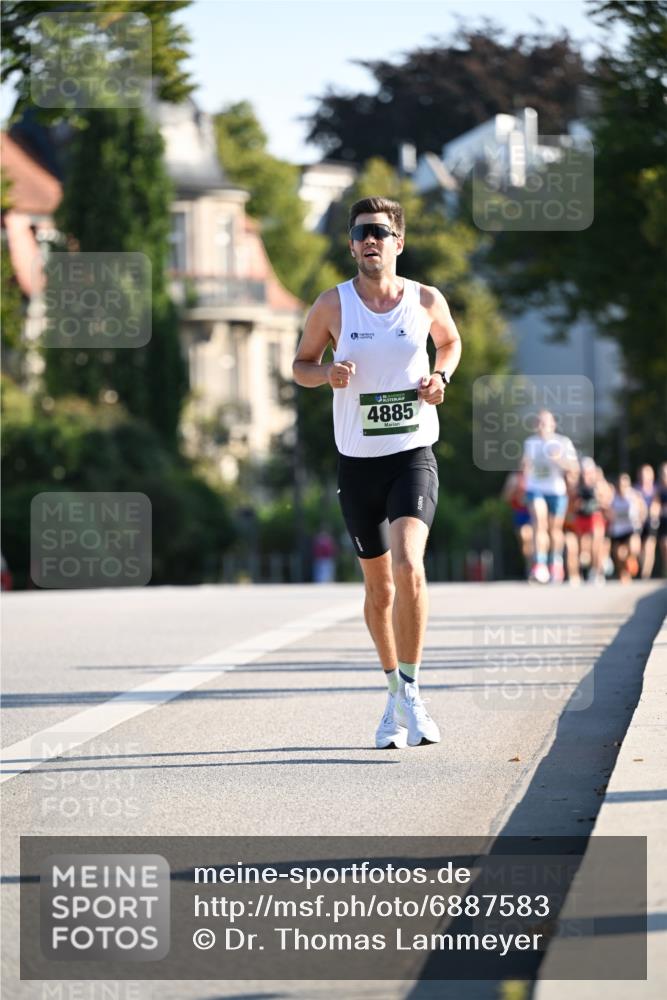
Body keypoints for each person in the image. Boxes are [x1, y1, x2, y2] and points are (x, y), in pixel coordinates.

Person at [292, 196, 462, 749]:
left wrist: (441, 377)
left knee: (411, 563)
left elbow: (451, 342)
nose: (370, 239)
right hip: (358, 462)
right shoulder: (333, 305)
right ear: (350, 244)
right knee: (380, 587)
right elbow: (299, 367)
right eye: (361, 231)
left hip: (413, 453)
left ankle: (412, 692)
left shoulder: (425, 299)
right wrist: (327, 373)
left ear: (398, 243)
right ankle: (393, 695)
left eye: (381, 231)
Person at [521, 409, 579, 583]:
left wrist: (559, 459)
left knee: (554, 529)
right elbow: (525, 465)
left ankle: (556, 563)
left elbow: (574, 468)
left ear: (553, 424)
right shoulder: (530, 443)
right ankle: (540, 565)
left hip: (556, 490)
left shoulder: (563, 442)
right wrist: (525, 467)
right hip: (536, 488)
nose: (542, 426)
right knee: (539, 524)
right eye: (539, 422)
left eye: (545, 422)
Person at [607, 473, 645, 583]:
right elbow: (608, 512)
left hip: (631, 528)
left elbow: (643, 510)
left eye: (624, 485)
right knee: (619, 555)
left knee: (633, 549)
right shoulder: (613, 497)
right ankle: (624, 573)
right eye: (620, 485)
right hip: (618, 530)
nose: (622, 488)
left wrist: (640, 518)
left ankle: (632, 561)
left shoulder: (634, 496)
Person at [501, 469, 533, 578]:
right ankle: (530, 565)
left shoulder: (536, 477)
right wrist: (513, 489)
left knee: (532, 537)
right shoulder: (513, 478)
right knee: (524, 541)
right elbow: (505, 498)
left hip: (533, 513)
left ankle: (538, 564)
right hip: (520, 513)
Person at [635, 464, 660, 579]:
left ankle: (645, 575)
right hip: (638, 523)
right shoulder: (635, 490)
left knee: (650, 547)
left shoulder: (656, 490)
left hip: (651, 522)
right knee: (639, 549)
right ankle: (640, 570)